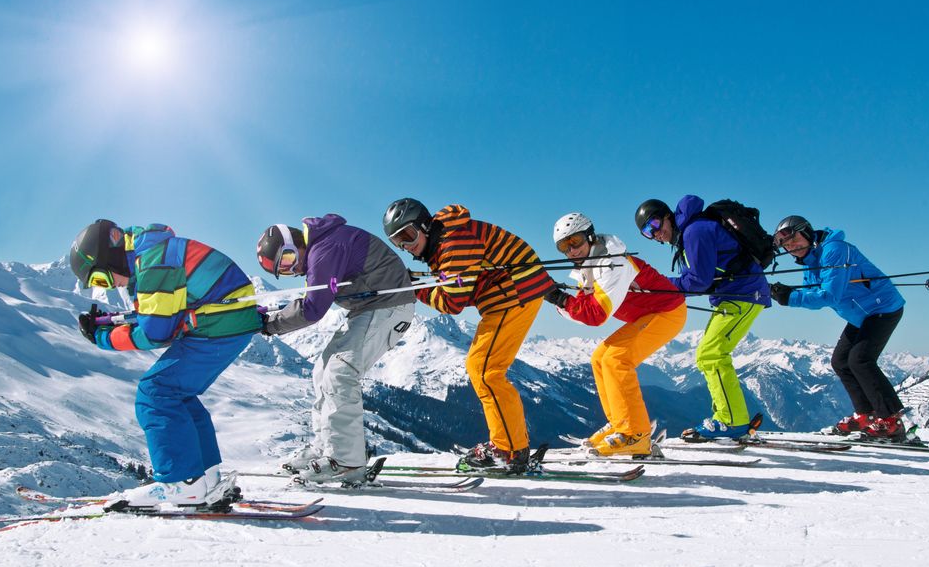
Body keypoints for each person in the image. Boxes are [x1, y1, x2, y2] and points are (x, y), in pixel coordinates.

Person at [69, 219, 261, 507]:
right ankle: (206, 479)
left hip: (219, 326)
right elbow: (159, 314)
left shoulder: (153, 263)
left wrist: (103, 338)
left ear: (109, 257)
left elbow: (156, 332)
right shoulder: (152, 255)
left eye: (101, 280)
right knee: (178, 395)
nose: (109, 287)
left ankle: (181, 484)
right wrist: (109, 326)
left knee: (155, 391)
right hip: (226, 323)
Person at [382, 198, 555, 472]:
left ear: (424, 226)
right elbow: (456, 284)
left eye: (408, 235)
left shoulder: (453, 244)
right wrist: (419, 282)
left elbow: (452, 302)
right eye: (397, 242)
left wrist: (414, 287)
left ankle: (508, 451)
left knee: (485, 370)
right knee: (484, 369)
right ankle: (512, 446)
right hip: (510, 293)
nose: (406, 246)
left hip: (513, 293)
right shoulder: (444, 241)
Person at [256, 215, 415, 485]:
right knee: (322, 372)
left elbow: (312, 308)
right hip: (370, 308)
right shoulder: (323, 247)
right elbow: (314, 298)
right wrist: (273, 317)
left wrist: (269, 324)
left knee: (341, 373)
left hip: (388, 306)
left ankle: (346, 462)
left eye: (288, 259)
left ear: (296, 243)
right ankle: (325, 448)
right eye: (283, 270)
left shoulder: (325, 248)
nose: (292, 269)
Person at [545, 212, 687, 456]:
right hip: (647, 316)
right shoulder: (589, 266)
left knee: (616, 360)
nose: (571, 251)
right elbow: (582, 310)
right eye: (564, 247)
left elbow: (595, 315)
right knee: (600, 358)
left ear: (589, 236)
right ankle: (620, 424)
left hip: (667, 312)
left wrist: (559, 298)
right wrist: (558, 300)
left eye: (575, 241)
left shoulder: (612, 263)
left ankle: (635, 435)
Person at [635, 196, 771, 440]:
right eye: (647, 232)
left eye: (654, 224)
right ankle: (726, 418)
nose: (655, 233)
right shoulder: (690, 232)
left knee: (712, 354)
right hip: (736, 295)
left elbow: (698, 281)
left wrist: (657, 287)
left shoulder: (694, 231)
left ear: (667, 215)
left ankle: (731, 421)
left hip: (745, 294)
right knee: (709, 355)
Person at [770, 215, 908, 440]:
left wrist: (790, 298)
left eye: (794, 240)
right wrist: (784, 293)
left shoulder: (834, 250)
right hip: (861, 316)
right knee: (841, 361)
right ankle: (867, 415)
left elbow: (829, 295)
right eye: (786, 245)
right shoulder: (810, 261)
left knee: (860, 360)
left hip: (882, 308)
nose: (791, 247)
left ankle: (891, 421)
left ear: (807, 233)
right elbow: (812, 292)